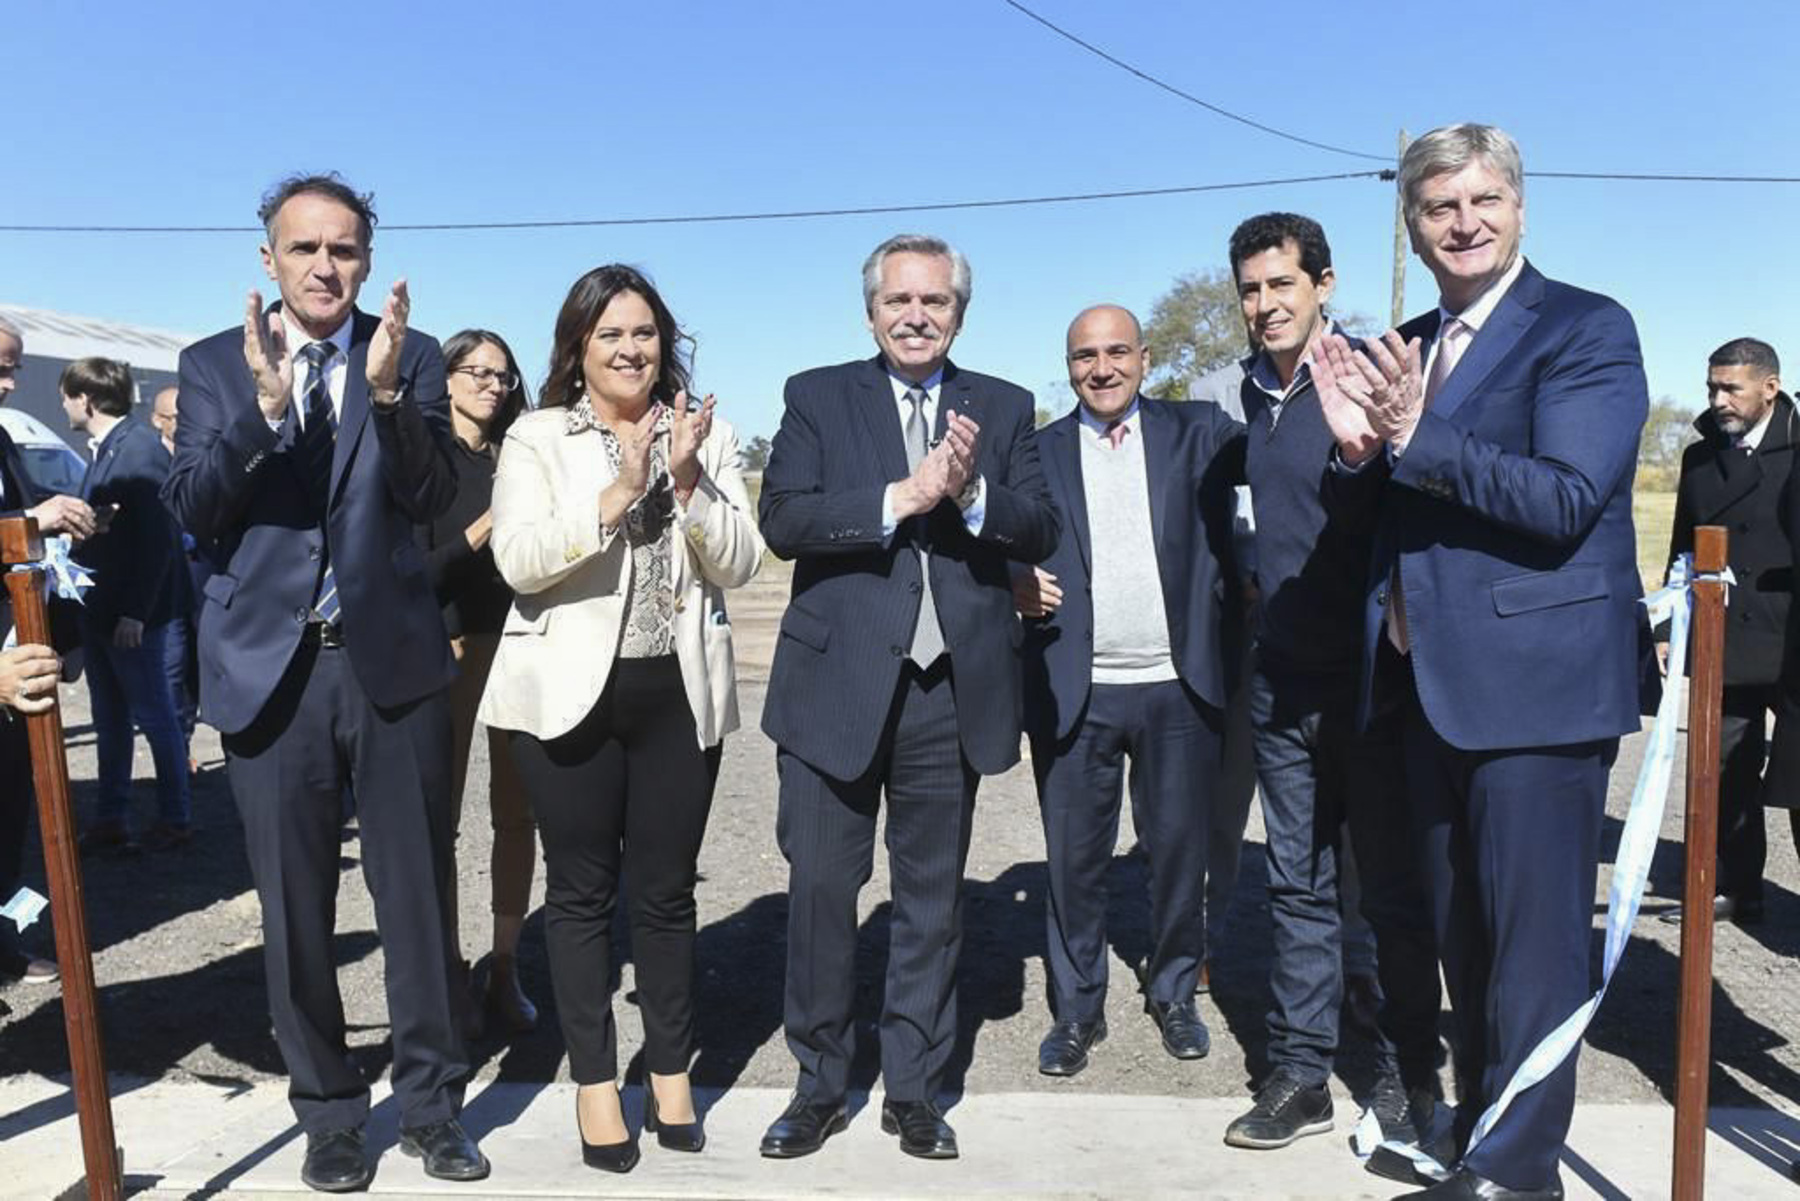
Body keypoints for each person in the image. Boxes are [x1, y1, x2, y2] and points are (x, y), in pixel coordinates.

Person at [1313, 123, 1648, 1200]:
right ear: (1411, 225)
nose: (1463, 223)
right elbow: (1376, 512)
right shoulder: (1404, 343)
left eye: (1481, 201)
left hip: (1539, 694)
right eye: (1438, 207)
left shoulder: (1586, 329)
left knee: (1535, 951)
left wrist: (1413, 436)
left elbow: (1561, 500)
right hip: (1425, 692)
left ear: (1519, 206)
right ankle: (1488, 1129)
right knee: (1464, 938)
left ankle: (1514, 1173)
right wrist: (1358, 454)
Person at [163, 173, 486, 1191]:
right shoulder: (215, 365)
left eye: (343, 249)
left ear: (369, 260)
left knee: (419, 903)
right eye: (304, 249)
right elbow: (198, 509)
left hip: (390, 666)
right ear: (269, 260)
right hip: (271, 674)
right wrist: (262, 411)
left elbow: (434, 496)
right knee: (296, 911)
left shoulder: (411, 359)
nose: (324, 267)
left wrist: (387, 398)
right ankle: (333, 1113)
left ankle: (433, 1105)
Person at [758, 233, 1057, 1161]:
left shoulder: (1002, 407)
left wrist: (968, 501)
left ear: (960, 313)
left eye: (935, 302)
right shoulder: (816, 396)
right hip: (834, 685)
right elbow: (784, 517)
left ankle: (915, 1089)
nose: (916, 316)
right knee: (820, 893)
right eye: (900, 301)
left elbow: (1041, 520)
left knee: (932, 899)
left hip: (947, 689)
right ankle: (817, 1084)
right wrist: (904, 492)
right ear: (871, 311)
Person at [478, 264, 764, 1173]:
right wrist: (614, 493)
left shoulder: (699, 434)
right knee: (580, 893)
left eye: (643, 332)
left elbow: (741, 564)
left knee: (668, 893)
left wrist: (684, 483)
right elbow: (519, 562)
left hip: (676, 695)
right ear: (578, 347)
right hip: (569, 698)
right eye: (610, 334)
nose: (630, 348)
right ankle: (597, 1083)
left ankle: (671, 1072)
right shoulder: (535, 436)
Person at [1209, 214, 1441, 1160]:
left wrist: (1360, 451)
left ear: (1325, 284)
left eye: (1282, 285)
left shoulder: (1374, 382)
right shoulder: (1242, 400)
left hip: (1371, 686)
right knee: (1298, 886)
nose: (1265, 305)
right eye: (1251, 289)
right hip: (1281, 684)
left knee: (1384, 890)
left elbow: (1403, 511)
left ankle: (1402, 1070)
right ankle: (1301, 1073)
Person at [1013, 304, 1236, 1078]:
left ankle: (1175, 992)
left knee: (1178, 853)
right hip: (1078, 686)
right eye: (1083, 356)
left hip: (1178, 685)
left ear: (1144, 358)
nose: (1100, 369)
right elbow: (995, 537)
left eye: (1115, 353)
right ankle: (1077, 1012)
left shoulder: (1199, 431)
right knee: (1074, 862)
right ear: (1067, 365)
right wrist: (1012, 580)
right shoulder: (1036, 453)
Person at [414, 329, 537, 1036]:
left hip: (519, 645)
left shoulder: (520, 453)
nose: (491, 383)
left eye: (501, 373)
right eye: (476, 371)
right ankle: (449, 967)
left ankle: (505, 963)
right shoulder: (425, 459)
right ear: (449, 376)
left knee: (517, 814)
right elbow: (415, 568)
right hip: (451, 647)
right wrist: (486, 529)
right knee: (444, 821)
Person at [1659, 339, 1794, 927]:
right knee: (1725, 772)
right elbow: (1681, 547)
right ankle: (1739, 887)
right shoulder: (1698, 459)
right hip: (1725, 642)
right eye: (1712, 387)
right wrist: (1668, 627)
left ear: (1770, 387)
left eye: (1731, 388)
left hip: (1792, 644)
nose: (1718, 400)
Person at [59, 358, 192, 853]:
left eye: (66, 396)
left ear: (85, 399)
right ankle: (112, 816)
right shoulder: (110, 449)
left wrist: (136, 612)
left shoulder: (137, 452)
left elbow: (159, 542)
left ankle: (175, 817)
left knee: (155, 715)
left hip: (131, 616)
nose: (63, 405)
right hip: (103, 612)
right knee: (111, 717)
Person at [0, 315, 95, 986]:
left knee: (8, 818)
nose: (9, 382)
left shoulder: (3, 438)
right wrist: (36, 520)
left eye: (15, 366)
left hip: (15, 660)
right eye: (0, 365)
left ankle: (2, 950)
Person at [149, 386, 204, 760]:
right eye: (175, 418)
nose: (184, 424)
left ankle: (186, 733)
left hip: (200, 571)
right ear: (157, 420)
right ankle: (177, 749)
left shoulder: (201, 454)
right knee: (172, 663)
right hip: (163, 578)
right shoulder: (145, 460)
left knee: (198, 660)